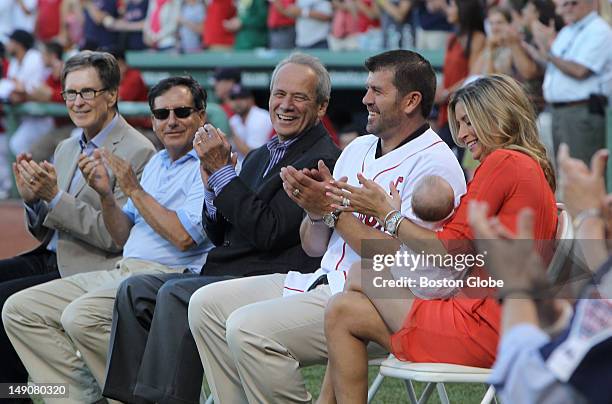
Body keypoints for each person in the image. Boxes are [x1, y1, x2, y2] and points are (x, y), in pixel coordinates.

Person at [188, 49, 467, 404]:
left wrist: (335, 214)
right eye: (368, 89)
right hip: (321, 280)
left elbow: (394, 260)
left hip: (376, 304)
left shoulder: (434, 165)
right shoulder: (359, 148)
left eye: (377, 91)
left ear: (411, 101)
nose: (365, 99)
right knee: (205, 305)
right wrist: (315, 211)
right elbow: (314, 246)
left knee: (249, 330)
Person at [101, 53, 340, 404]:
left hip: (268, 276)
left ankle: (164, 400)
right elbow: (221, 233)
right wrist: (213, 188)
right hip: (225, 269)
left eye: (299, 97)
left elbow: (269, 232)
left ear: (321, 107)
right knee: (135, 291)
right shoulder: (262, 153)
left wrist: (224, 176)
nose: (285, 105)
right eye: (279, 94)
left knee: (175, 294)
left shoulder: (322, 158)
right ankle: (131, 399)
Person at [318, 74, 558, 403]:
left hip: (486, 328)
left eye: (468, 122)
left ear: (495, 114)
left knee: (361, 273)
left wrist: (388, 215)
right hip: (501, 321)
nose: (461, 135)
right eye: (458, 124)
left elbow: (448, 252)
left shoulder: (505, 162)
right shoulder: (525, 165)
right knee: (343, 309)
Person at [2, 75, 214, 404]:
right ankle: (84, 398)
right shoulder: (158, 162)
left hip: (167, 275)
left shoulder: (209, 163)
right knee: (19, 308)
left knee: (81, 317)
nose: (171, 121)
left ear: (201, 115)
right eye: (162, 114)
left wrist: (132, 189)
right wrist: (106, 195)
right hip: (123, 267)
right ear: (153, 120)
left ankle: (153, 397)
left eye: (182, 112)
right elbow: (120, 234)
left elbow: (184, 238)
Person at [0, 50, 156, 387]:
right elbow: (47, 225)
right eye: (70, 92)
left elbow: (118, 237)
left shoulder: (138, 150)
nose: (77, 102)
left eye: (87, 92)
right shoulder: (67, 147)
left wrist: (54, 197)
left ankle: (15, 395)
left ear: (112, 95)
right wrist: (34, 203)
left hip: (92, 266)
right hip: (50, 256)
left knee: (5, 303)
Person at [469, 144, 612, 404]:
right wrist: (546, 307)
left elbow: (528, 387)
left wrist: (516, 286)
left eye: (469, 121)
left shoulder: (506, 162)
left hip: (489, 321)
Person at [530, 0, 612, 164]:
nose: (567, 8)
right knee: (564, 175)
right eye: (564, 4)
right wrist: (530, 47)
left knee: (581, 171)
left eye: (573, 3)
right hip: (559, 111)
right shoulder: (568, 31)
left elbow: (579, 70)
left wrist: (548, 51)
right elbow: (554, 66)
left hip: (581, 112)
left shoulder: (599, 30)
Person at [434, 0, 485, 161]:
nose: (448, 10)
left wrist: (447, 93)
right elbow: (448, 71)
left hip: (464, 106)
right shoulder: (453, 38)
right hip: (447, 105)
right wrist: (441, 91)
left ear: (463, 10)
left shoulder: (478, 38)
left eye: (452, 6)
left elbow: (473, 76)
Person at [228, 84, 274, 162]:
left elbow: (254, 155)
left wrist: (232, 134)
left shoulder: (261, 117)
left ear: (251, 100)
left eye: (242, 98)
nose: (237, 102)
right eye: (234, 99)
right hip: (241, 166)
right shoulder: (233, 120)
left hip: (262, 165)